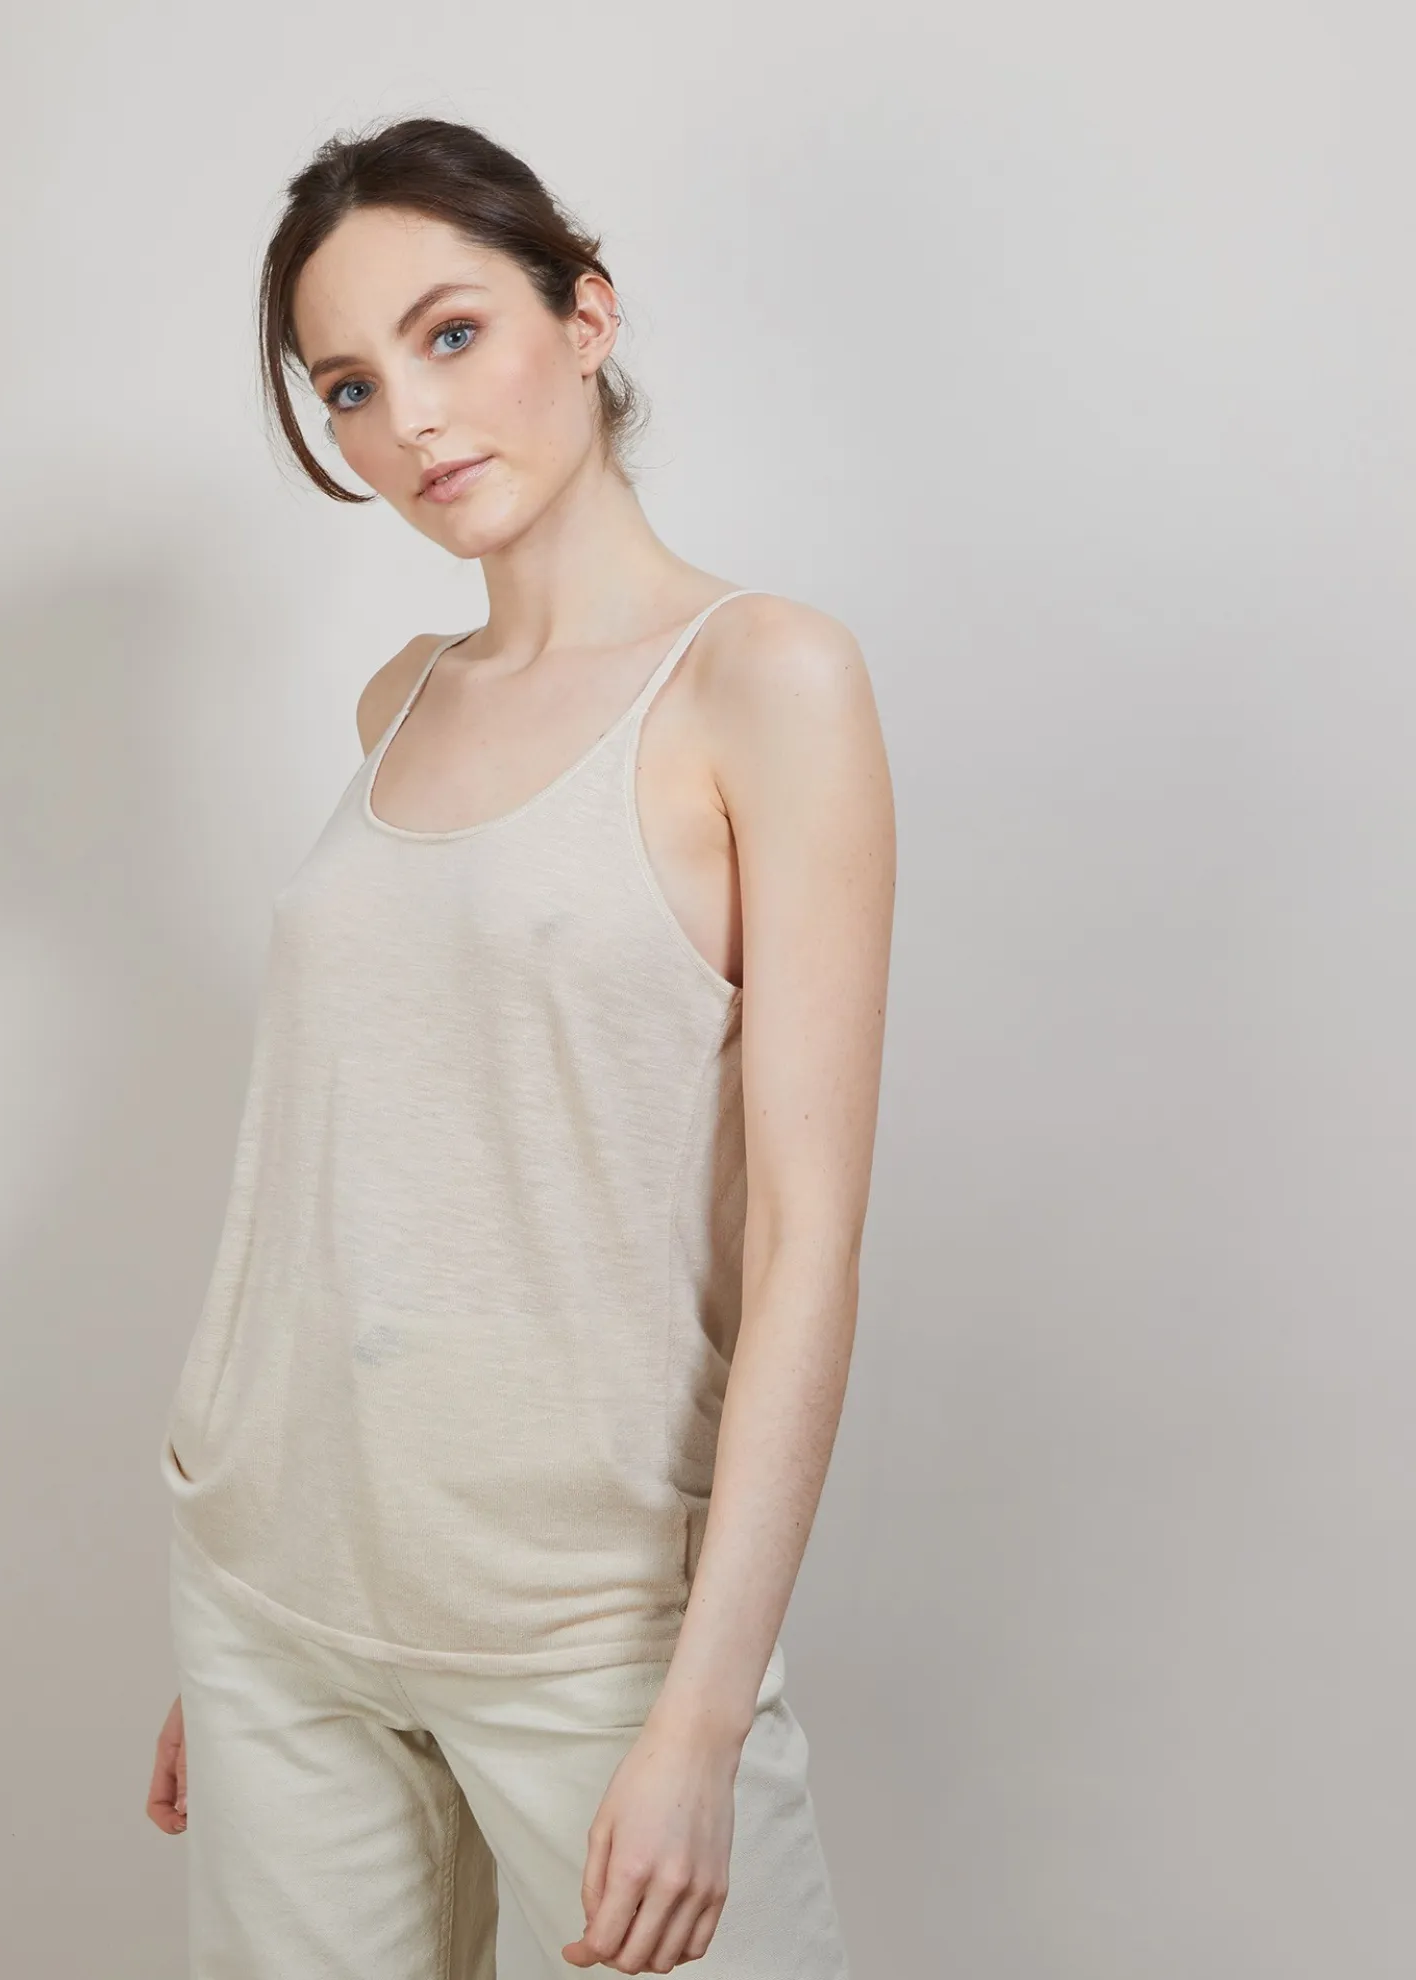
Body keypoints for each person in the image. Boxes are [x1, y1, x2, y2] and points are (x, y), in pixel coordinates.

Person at [143, 114, 895, 1978]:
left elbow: (806, 1243)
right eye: (349, 386)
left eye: (451, 333)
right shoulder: (400, 699)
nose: (408, 419)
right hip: (280, 1608)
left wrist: (701, 1715)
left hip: (589, 1635)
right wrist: (253, 1605)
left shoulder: (764, 681)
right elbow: (369, 1151)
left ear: (587, 315)